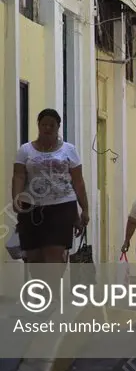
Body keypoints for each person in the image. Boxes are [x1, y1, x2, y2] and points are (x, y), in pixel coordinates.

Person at [12, 109, 89, 286]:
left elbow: (78, 182)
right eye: (43, 124)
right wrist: (16, 197)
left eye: (51, 125)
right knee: (34, 258)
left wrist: (84, 209)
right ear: (38, 125)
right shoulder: (25, 150)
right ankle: (42, 289)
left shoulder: (69, 150)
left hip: (62, 207)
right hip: (31, 209)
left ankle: (51, 295)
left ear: (58, 127)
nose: (47, 128)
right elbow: (19, 176)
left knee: (52, 254)